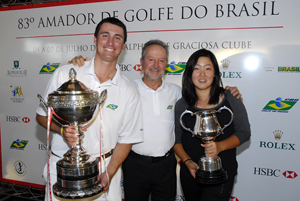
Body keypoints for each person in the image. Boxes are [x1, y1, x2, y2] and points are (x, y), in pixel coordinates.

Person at [70, 41, 242, 201]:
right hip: (134, 164)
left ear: (166, 64)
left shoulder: (178, 93)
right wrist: (82, 66)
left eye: (161, 60)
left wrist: (229, 91)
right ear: (141, 62)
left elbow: (203, 94)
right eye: (151, 59)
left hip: (167, 166)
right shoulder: (127, 89)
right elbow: (96, 89)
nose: (155, 65)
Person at [36, 17, 143, 201]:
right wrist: (62, 130)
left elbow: (127, 139)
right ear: (95, 39)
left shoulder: (129, 90)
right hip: (63, 169)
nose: (110, 42)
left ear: (123, 45)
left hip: (104, 170)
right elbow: (41, 116)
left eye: (117, 38)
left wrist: (109, 173)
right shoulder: (66, 72)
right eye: (105, 35)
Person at [173, 49, 251, 201]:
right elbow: (176, 139)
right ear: (189, 73)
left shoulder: (230, 99)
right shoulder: (182, 105)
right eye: (196, 68)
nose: (202, 74)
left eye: (207, 68)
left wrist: (219, 147)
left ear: (215, 73)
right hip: (191, 174)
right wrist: (187, 162)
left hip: (222, 172)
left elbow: (244, 132)